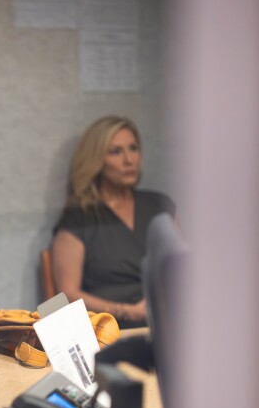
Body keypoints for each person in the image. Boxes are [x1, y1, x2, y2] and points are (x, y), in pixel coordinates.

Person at [51, 115, 175, 328]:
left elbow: (183, 267)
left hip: (169, 321)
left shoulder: (159, 205)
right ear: (96, 160)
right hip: (110, 328)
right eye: (116, 151)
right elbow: (67, 294)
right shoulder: (80, 217)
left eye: (133, 148)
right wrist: (126, 312)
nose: (129, 160)